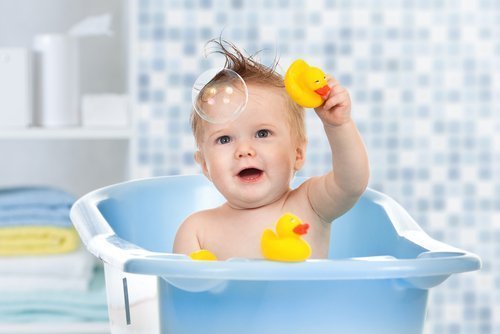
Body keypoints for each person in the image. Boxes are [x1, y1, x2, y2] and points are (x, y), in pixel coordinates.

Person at [174, 41, 369, 260]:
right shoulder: (197, 230)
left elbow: (351, 184)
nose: (244, 150)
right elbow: (182, 290)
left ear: (298, 154)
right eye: (224, 138)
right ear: (204, 165)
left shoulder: (311, 204)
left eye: (262, 134)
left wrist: (338, 126)